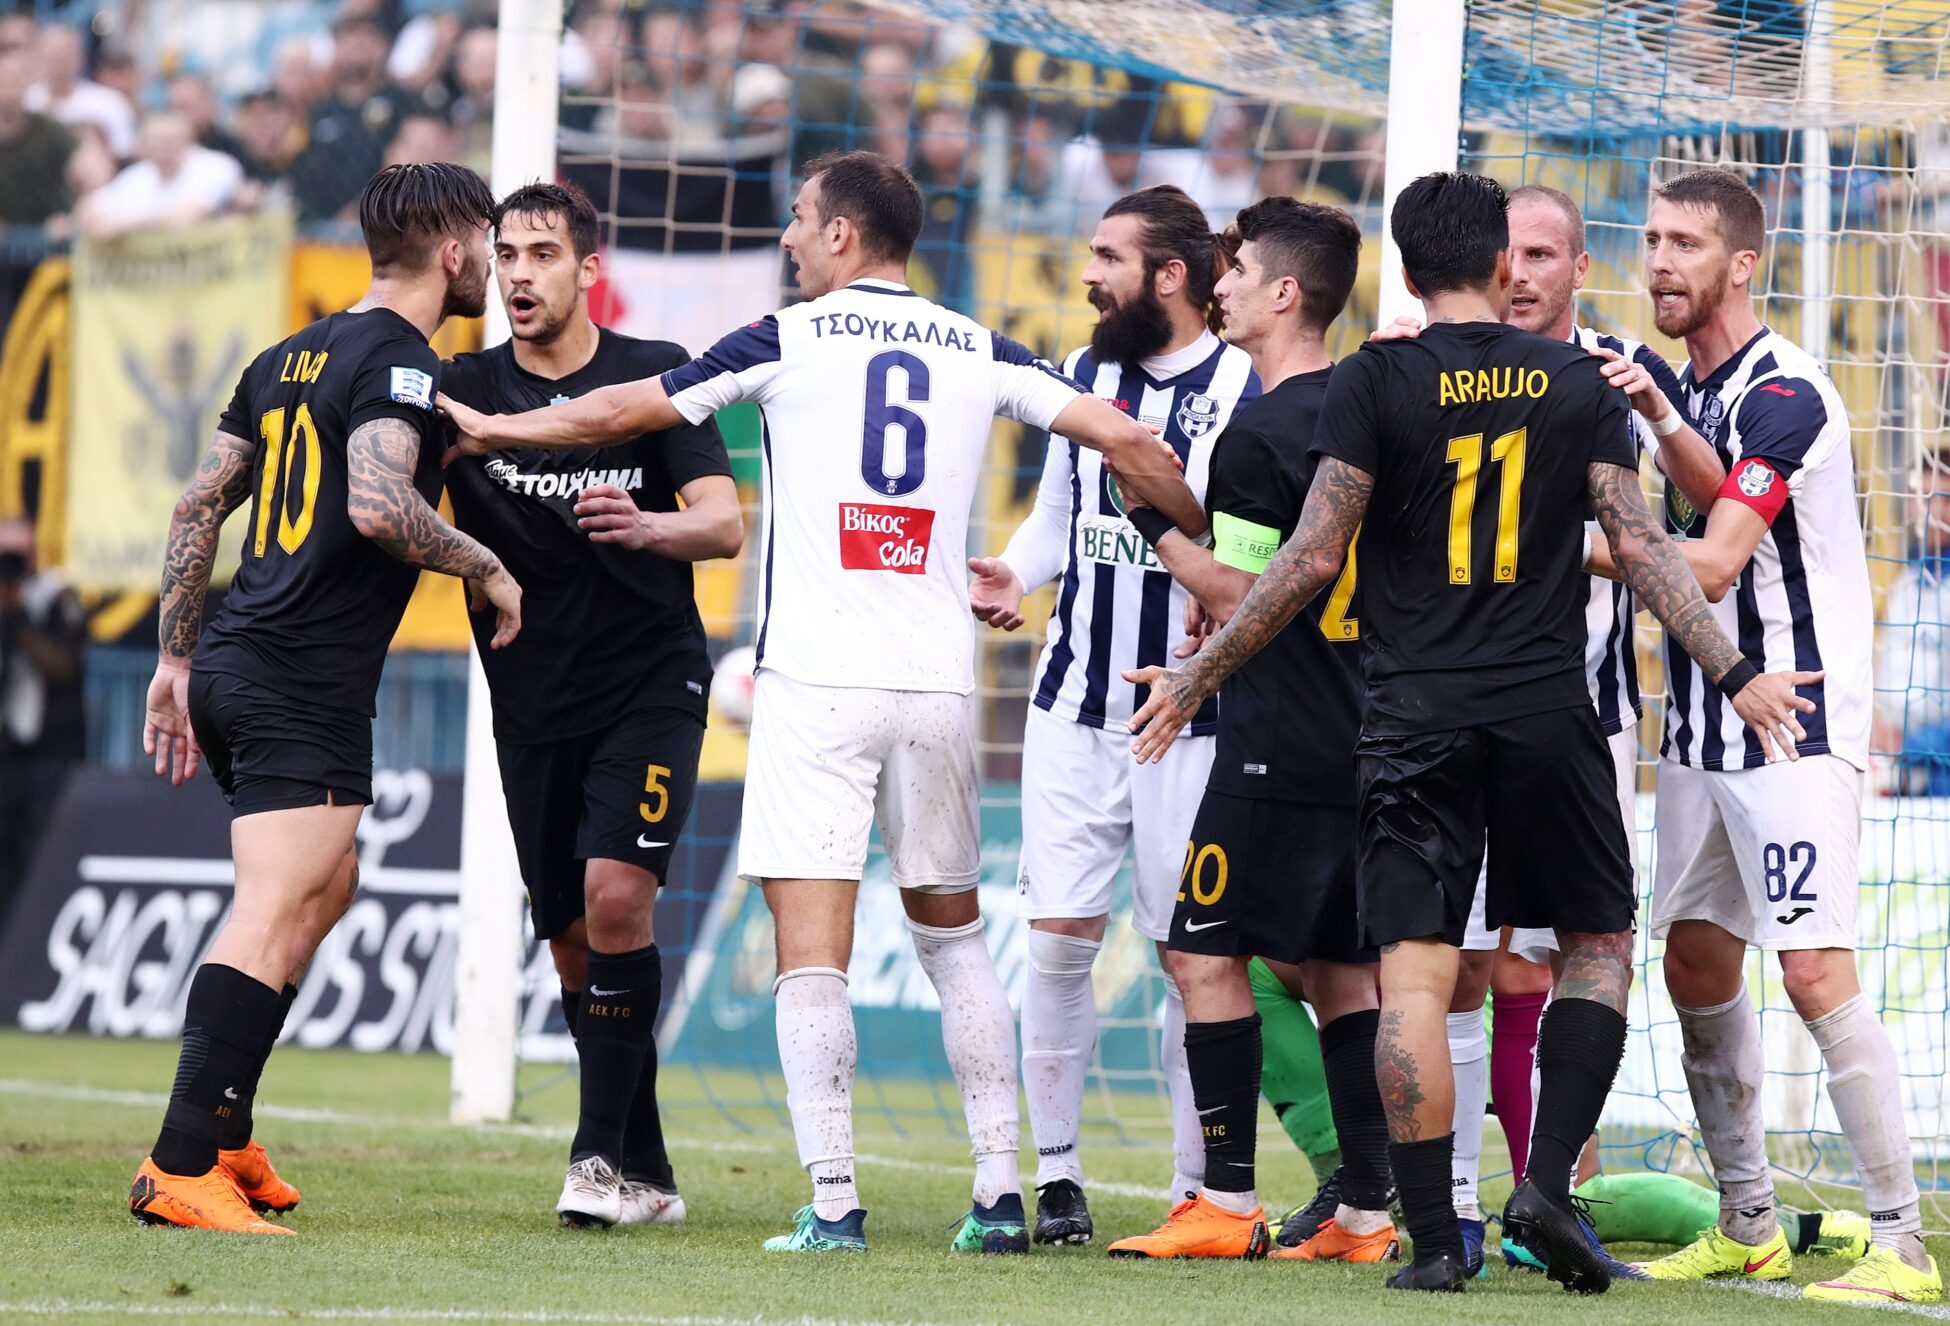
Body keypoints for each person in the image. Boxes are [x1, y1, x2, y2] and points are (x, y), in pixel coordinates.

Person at [438, 150, 1202, 1256]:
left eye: (800, 219)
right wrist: (1200, 557)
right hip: (937, 683)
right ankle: (1000, 1195)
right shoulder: (977, 343)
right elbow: (1127, 440)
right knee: (958, 942)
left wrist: (501, 430)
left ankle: (836, 1205)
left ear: (843, 233)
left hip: (816, 683)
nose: (789, 238)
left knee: (810, 957)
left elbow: (619, 412)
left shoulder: (784, 337)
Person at [1125, 170, 1816, 1294]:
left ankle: (1438, 1243)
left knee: (1413, 979)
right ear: (1502, 265)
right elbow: (1644, 549)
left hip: (1410, 718)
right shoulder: (1578, 382)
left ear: (1406, 274)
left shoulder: (1372, 378)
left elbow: (1310, 557)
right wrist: (1733, 671)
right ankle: (1544, 1184)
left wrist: (1201, 669)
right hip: (1547, 712)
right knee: (1596, 946)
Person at [131, 162, 518, 1235]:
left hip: (239, 664)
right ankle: (178, 1164)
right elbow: (381, 507)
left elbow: (197, 506)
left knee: (329, 883)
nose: (490, 268)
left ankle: (225, 1130)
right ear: (454, 250)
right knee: (271, 907)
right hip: (296, 679)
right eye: (486, 247)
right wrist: (486, 564)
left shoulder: (285, 355)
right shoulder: (400, 363)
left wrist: (176, 662)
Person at [1601, 167, 1940, 1305]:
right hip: (1700, 727)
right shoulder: (1669, 391)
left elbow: (1711, 561)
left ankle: (1900, 1242)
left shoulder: (1787, 393)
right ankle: (1748, 1221)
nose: (1661, 260)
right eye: (1653, 239)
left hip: (1794, 721)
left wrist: (1551, 551)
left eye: (1687, 243)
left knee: (1813, 971)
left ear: (1742, 264)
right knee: (1695, 961)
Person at [1099, 197, 1401, 1266]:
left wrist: (1147, 513)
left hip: (1277, 736)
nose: (1217, 286)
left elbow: (1238, 593)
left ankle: (1225, 1199)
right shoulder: (1366, 414)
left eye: (1236, 272)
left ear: (1284, 292)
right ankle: (1365, 1215)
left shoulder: (1263, 430)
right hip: (1365, 728)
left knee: (1200, 953)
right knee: (1341, 974)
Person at [442, 180, 741, 1229]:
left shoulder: (653, 373)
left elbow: (722, 524)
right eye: (506, 255)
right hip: (532, 702)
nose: (520, 274)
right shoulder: (460, 390)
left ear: (588, 269)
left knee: (618, 897)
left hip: (651, 681)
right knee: (574, 943)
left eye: (542, 254)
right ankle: (648, 1170)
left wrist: (647, 528)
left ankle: (596, 1162)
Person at [965, 183, 1257, 1245]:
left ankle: (1195, 1185)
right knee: (1056, 942)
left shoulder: (1242, 386)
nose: (1087, 275)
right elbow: (1057, 517)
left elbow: (1251, 544)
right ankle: (1058, 1178)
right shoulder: (1081, 377)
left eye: (1106, 258)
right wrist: (1016, 572)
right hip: (1072, 706)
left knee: (1193, 960)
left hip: (1191, 718)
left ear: (1168, 276)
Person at [0, 516, 86, 932]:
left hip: (52, 752)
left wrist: (18, 619)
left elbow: (64, 665)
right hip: (7, 754)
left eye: (19, 555)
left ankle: (33, 938)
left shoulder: (56, 596)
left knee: (43, 852)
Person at [80, 111, 244, 237]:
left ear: (189, 140)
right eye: (155, 142)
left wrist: (119, 227)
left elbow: (190, 217)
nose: (163, 148)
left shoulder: (216, 166)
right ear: (143, 147)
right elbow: (89, 211)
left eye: (171, 140)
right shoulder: (135, 176)